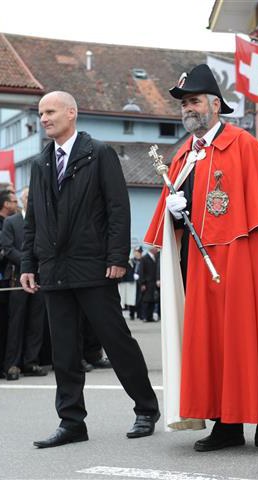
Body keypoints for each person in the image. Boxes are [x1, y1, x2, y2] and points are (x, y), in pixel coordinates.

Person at [145, 64, 258, 452]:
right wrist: (172, 209)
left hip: (242, 259)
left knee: (248, 335)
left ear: (216, 104)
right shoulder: (184, 154)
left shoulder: (243, 144)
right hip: (200, 265)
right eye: (185, 103)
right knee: (212, 343)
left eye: (195, 100)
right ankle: (226, 422)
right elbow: (178, 220)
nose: (189, 108)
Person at [20, 91, 159, 448]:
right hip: (53, 269)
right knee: (64, 351)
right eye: (40, 113)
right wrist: (28, 264)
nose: (44, 118)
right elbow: (33, 219)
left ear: (71, 113)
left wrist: (116, 257)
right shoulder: (40, 163)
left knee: (116, 340)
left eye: (50, 111)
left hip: (93, 266)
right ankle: (71, 422)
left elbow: (117, 208)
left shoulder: (99, 154)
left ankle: (146, 407)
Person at [1, 187, 47, 381]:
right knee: (16, 323)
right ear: (22, 199)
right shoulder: (12, 222)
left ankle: (31, 362)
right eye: (28, 196)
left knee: (36, 323)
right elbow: (8, 249)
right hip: (17, 279)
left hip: (40, 279)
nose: (32, 199)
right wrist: (29, 264)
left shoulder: (44, 222)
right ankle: (11, 364)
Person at [0, 189, 18, 376]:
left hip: (7, 281)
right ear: (6, 203)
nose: (16, 204)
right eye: (13, 200)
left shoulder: (10, 222)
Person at [138, 247, 160, 322]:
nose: (157, 250)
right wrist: (142, 283)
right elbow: (141, 272)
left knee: (153, 300)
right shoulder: (144, 258)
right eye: (155, 248)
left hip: (153, 283)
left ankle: (150, 317)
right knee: (146, 301)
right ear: (151, 249)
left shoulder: (156, 258)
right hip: (146, 283)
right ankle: (144, 316)